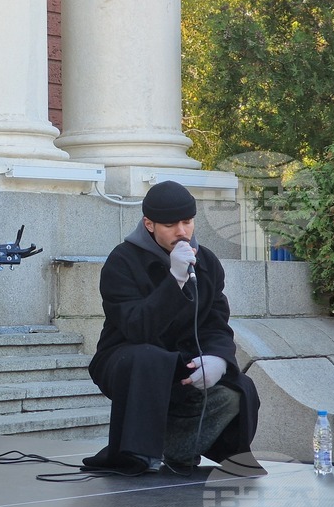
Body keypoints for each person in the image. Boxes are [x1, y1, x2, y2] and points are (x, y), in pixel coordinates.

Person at [84, 181, 262, 475]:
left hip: (183, 360)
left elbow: (216, 323)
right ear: (149, 224)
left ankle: (179, 449)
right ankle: (138, 454)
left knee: (239, 388)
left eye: (187, 222)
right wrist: (175, 279)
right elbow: (136, 326)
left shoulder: (208, 263)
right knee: (149, 358)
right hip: (127, 359)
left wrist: (217, 358)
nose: (181, 232)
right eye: (170, 224)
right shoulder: (122, 260)